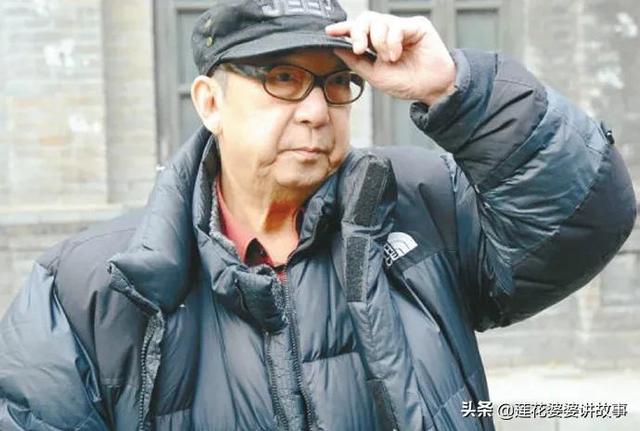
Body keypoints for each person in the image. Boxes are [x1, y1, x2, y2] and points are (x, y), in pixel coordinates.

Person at [0, 0, 635, 430]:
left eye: (336, 83)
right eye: (281, 78)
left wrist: (454, 90)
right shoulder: (88, 287)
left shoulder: (420, 209)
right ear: (210, 103)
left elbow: (584, 218)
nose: (315, 111)